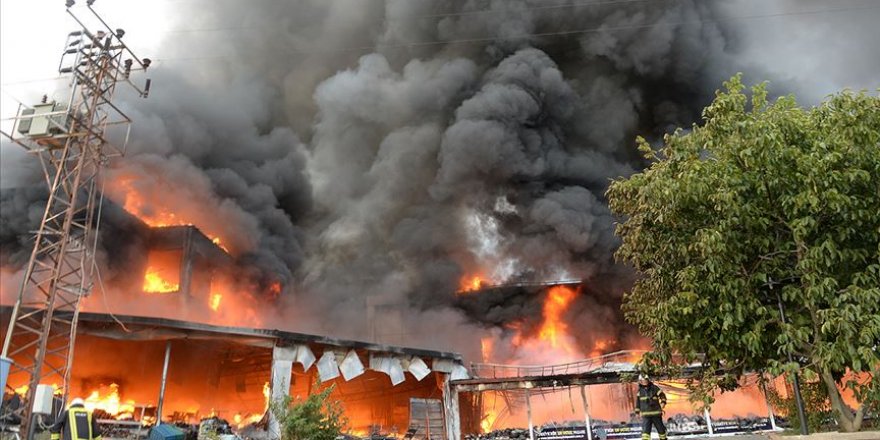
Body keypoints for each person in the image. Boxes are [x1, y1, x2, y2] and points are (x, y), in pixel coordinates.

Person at [634, 374, 667, 440]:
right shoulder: (640, 391)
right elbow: (638, 402)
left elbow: (662, 395)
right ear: (640, 381)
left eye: (645, 380)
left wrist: (663, 402)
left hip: (656, 414)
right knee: (645, 433)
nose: (644, 382)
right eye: (642, 381)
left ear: (648, 380)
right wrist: (637, 412)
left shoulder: (654, 388)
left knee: (661, 431)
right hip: (646, 415)